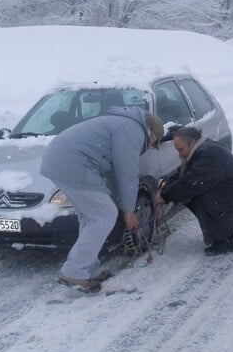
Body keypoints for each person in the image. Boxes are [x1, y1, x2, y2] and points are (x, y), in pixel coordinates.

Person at [41, 106, 164, 293]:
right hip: (73, 162)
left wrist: (124, 204)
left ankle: (89, 268)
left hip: (59, 159)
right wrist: (129, 211)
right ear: (152, 133)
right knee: (105, 215)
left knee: (91, 218)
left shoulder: (123, 123)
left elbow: (115, 172)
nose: (151, 145)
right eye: (155, 142)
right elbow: (127, 173)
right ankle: (75, 270)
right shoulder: (132, 129)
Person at [154, 126, 233, 256]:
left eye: (180, 150)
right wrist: (166, 186)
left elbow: (190, 183)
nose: (179, 154)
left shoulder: (209, 155)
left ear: (192, 143)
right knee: (193, 193)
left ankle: (224, 242)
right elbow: (182, 174)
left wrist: (164, 195)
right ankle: (224, 235)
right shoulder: (202, 149)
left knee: (198, 194)